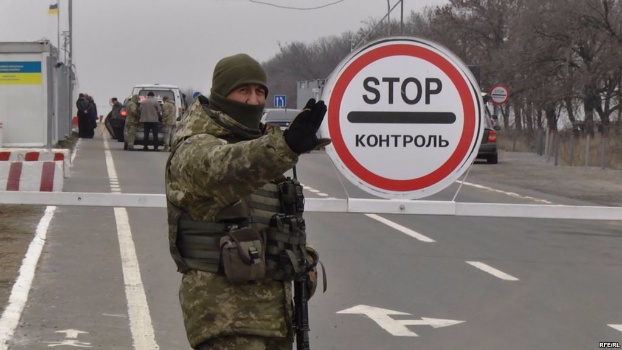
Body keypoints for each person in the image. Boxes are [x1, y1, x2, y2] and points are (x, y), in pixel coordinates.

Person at [165, 53, 330, 350]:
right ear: (220, 95)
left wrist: (301, 259)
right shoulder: (194, 148)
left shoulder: (262, 153)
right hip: (227, 320)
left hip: (274, 319)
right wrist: (285, 145)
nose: (253, 100)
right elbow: (222, 166)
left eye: (260, 92)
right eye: (243, 91)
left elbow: (267, 225)